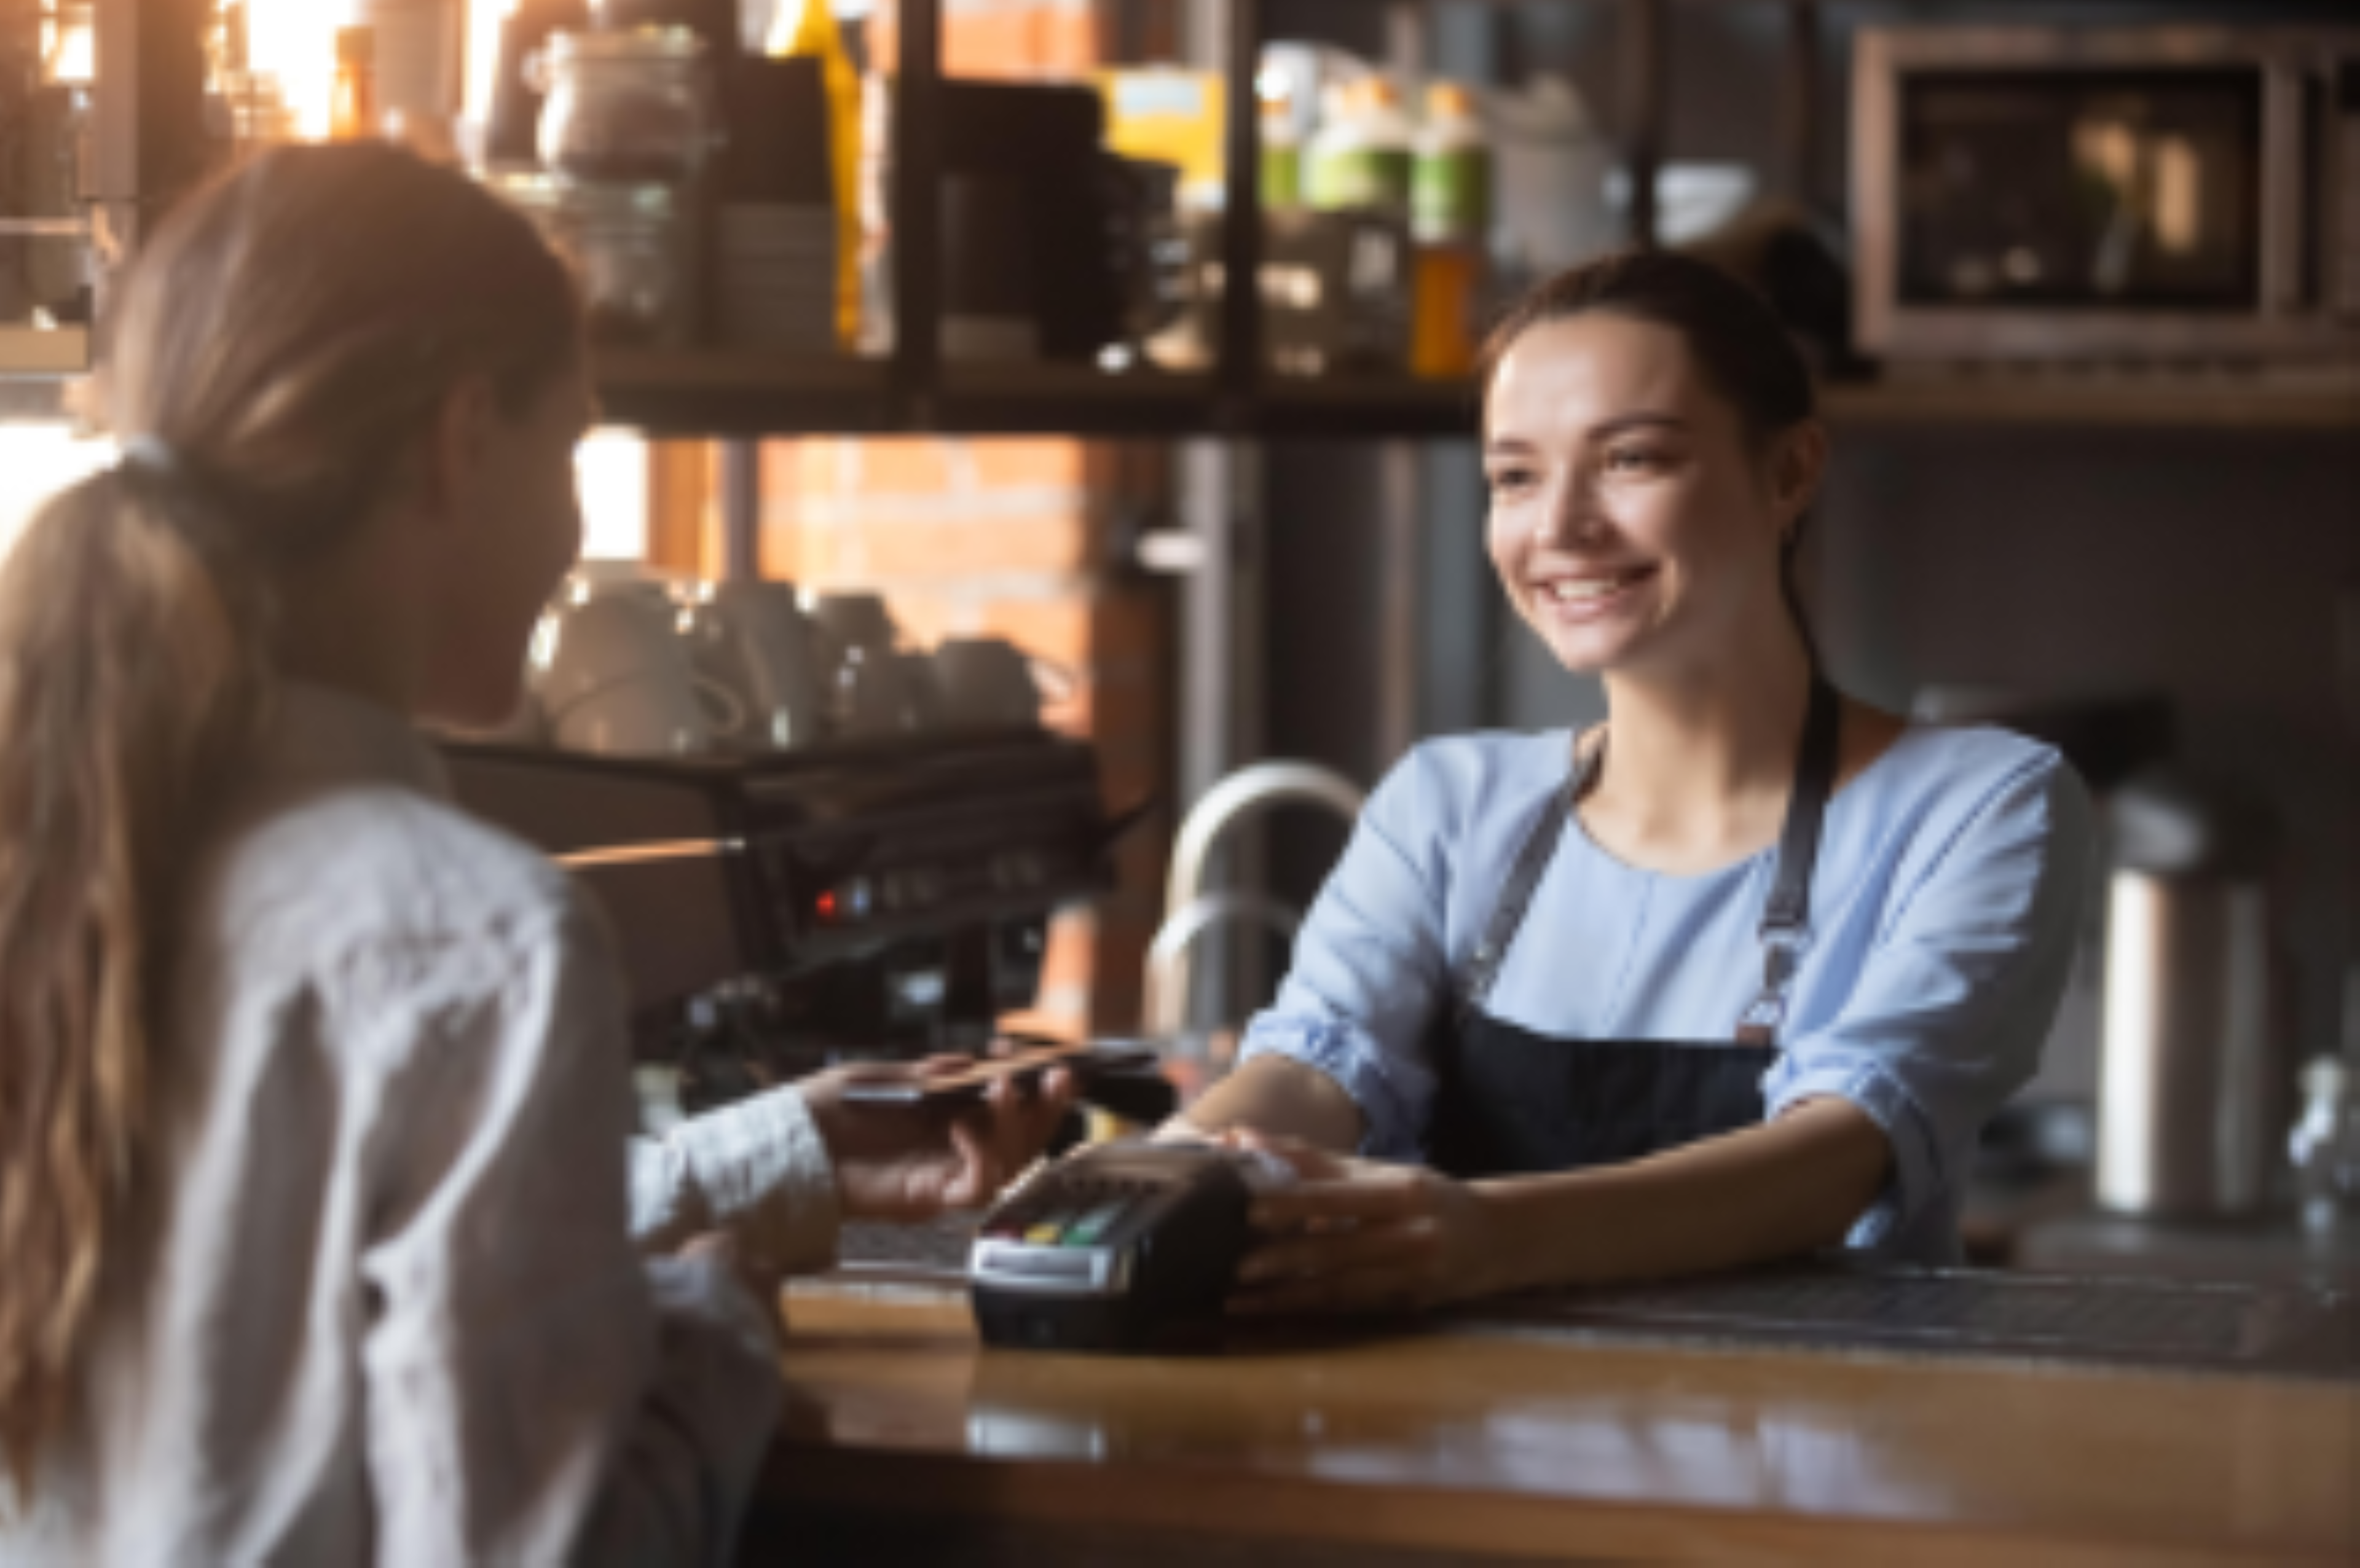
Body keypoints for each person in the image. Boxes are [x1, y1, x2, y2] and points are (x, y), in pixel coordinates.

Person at [0, 144, 1070, 1562]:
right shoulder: (480, 937)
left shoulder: (57, 854)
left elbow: (294, 1271)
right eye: (573, 446)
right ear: (461, 439)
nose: (576, 532)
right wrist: (715, 1343)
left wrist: (771, 1156)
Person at [1178, 251, 2094, 1317]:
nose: (1559, 527)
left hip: (1805, 1457)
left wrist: (1489, 1236)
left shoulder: (1979, 804)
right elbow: (1311, 1076)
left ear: (1791, 471)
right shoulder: (1447, 805)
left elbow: (1840, 1154)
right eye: (1515, 476)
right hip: (1457, 1450)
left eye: (1632, 460)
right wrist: (1143, 1182)